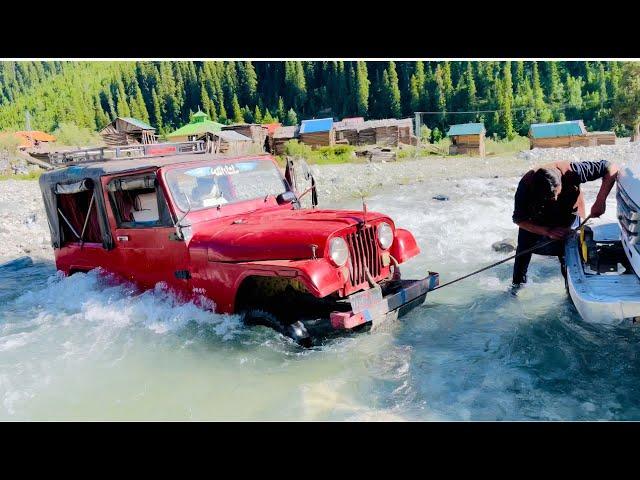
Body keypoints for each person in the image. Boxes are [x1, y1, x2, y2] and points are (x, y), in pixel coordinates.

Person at [511, 159, 619, 293]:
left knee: (569, 254)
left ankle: (571, 291)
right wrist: (547, 231)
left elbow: (611, 167)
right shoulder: (526, 185)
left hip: (568, 215)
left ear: (560, 182)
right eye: (549, 197)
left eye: (556, 193)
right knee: (523, 251)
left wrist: (601, 200)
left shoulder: (573, 171)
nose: (554, 199)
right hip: (536, 218)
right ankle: (516, 287)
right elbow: (519, 219)